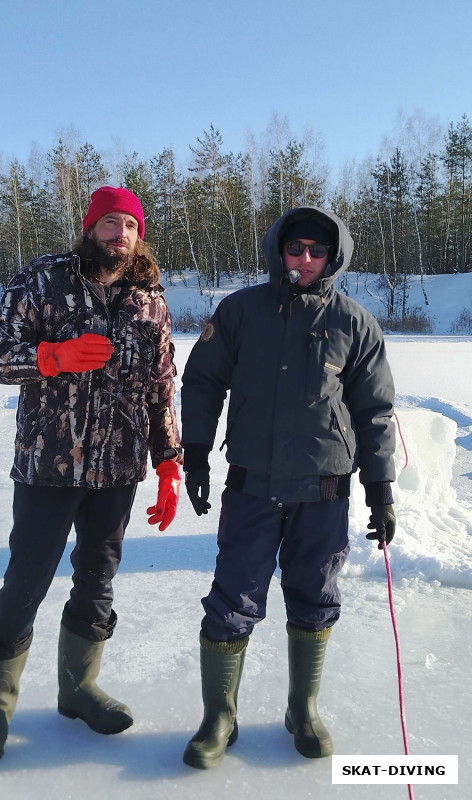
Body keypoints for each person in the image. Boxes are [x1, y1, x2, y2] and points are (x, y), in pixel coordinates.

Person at [0, 186, 183, 761]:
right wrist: (48, 358)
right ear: (90, 228)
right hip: (48, 465)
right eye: (110, 223)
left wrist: (168, 462)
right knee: (27, 580)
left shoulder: (151, 300)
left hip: (118, 470)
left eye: (130, 225)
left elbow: (161, 388)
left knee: (98, 579)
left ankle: (79, 689)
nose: (121, 234)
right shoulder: (45, 277)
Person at [180, 205, 396, 769]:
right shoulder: (240, 311)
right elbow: (202, 381)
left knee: (315, 598)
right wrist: (196, 453)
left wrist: (381, 490)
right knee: (231, 601)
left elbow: (374, 412)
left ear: (332, 258)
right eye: (295, 248)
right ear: (280, 250)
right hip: (252, 486)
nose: (304, 259)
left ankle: (302, 710)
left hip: (323, 491)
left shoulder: (354, 322)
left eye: (316, 251)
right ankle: (218, 717)